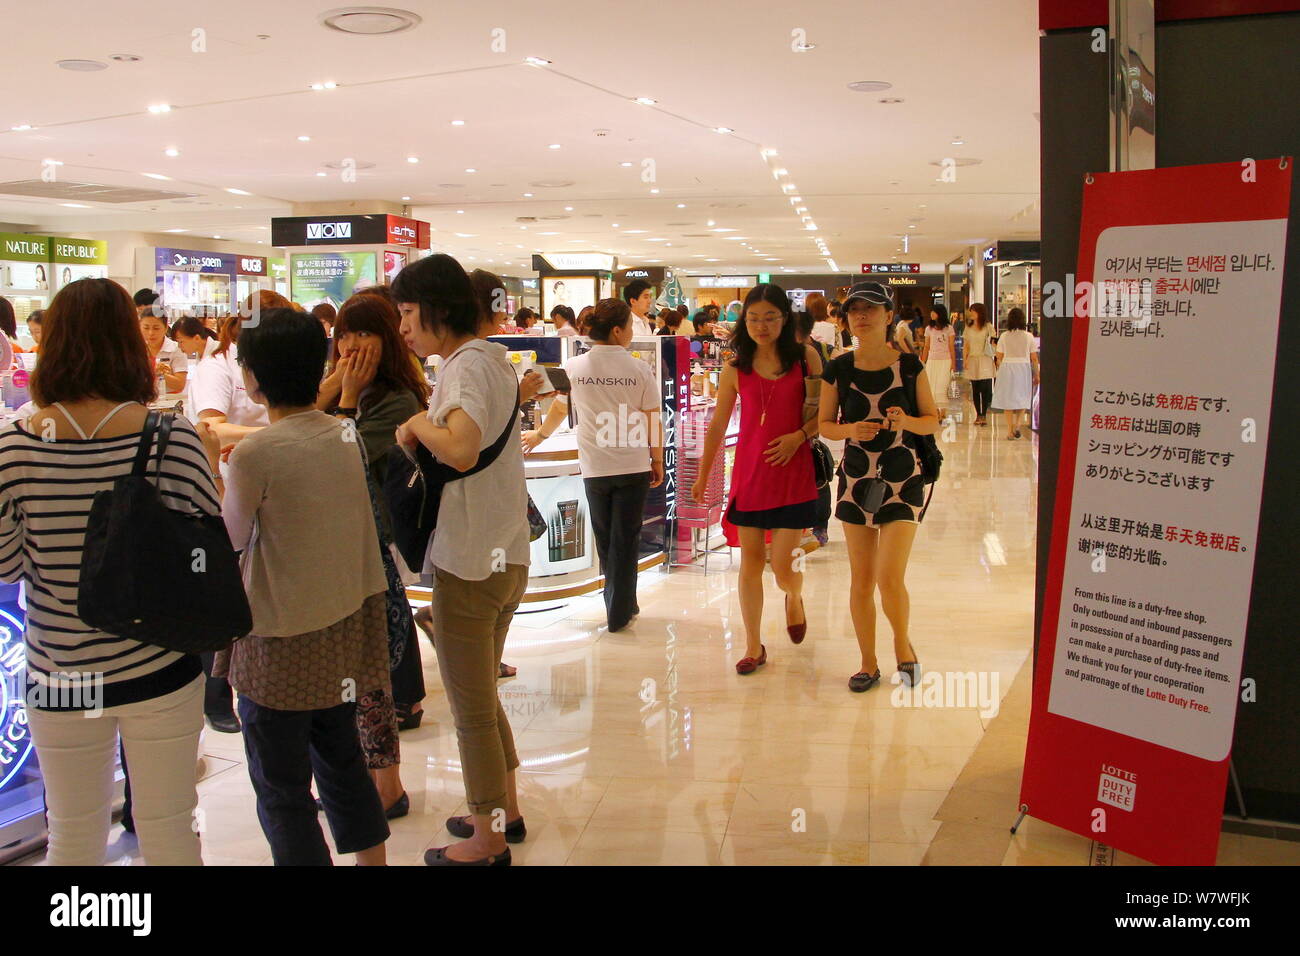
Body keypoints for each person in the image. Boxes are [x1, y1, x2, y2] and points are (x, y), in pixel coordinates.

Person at [0, 278, 216, 865]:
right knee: (169, 826)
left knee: (72, 833)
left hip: (61, 669)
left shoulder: (14, 446)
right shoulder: (171, 438)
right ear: (130, 343)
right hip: (159, 662)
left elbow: (8, 562)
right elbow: (206, 546)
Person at [207, 307, 391, 866]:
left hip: (278, 640)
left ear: (254, 377)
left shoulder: (257, 452)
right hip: (343, 626)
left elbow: (230, 539)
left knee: (281, 787)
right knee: (342, 759)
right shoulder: (344, 433)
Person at [392, 254, 529, 866]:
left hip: (471, 559)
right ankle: (507, 809)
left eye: (407, 313)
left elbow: (464, 451)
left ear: (436, 309)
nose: (402, 328)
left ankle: (487, 837)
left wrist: (418, 421)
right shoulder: (494, 361)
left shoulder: (464, 367)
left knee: (471, 708)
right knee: (482, 697)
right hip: (504, 553)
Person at [316, 289, 430, 752]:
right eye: (345, 333)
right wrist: (329, 393)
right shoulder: (348, 386)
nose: (351, 345)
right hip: (346, 522)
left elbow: (347, 457)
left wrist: (341, 398)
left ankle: (402, 701)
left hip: (373, 521)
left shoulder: (395, 398)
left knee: (385, 608)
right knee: (386, 605)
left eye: (364, 332)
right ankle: (404, 698)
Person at [691, 284, 821, 675]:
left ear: (785, 319)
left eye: (770, 317)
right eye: (753, 318)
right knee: (748, 562)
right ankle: (752, 645)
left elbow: (826, 415)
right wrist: (703, 474)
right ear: (742, 322)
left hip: (793, 470)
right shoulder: (735, 367)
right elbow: (717, 425)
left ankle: (794, 597)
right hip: (750, 473)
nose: (761, 326)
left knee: (783, 567)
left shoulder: (806, 359)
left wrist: (799, 436)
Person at [818, 282, 939, 693]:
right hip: (855, 480)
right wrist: (851, 428)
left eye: (871, 309)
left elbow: (932, 420)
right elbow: (824, 425)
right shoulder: (840, 368)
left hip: (903, 479)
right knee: (861, 579)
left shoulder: (909, 367)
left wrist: (905, 421)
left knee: (890, 577)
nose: (862, 316)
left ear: (889, 316)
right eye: (854, 310)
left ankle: (902, 645)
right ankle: (868, 662)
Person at [522, 298, 663, 631]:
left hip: (595, 467)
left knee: (605, 538)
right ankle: (620, 609)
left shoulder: (573, 367)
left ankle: (620, 602)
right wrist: (657, 460)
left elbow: (554, 407)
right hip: (632, 465)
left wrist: (539, 436)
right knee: (626, 539)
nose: (631, 332)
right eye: (629, 326)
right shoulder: (639, 368)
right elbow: (652, 419)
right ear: (617, 330)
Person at [189, 292, 282, 733]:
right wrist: (275, 435)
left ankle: (243, 682)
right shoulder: (217, 366)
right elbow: (210, 426)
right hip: (223, 486)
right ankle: (215, 695)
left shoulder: (266, 364)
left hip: (267, 486)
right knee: (222, 589)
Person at [794, 309, 833, 546]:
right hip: (793, 424)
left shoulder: (813, 353)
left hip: (809, 424)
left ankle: (819, 525)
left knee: (817, 473)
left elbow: (823, 392)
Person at [991, 307, 1039, 440]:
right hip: (1023, 368)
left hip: (1007, 368)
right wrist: (1037, 374)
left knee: (1008, 399)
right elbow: (1034, 358)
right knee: (1023, 397)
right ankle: (1018, 424)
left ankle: (1010, 430)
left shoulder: (1004, 336)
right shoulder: (1028, 336)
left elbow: (999, 355)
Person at [920, 303, 955, 425]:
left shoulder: (949, 328)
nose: (931, 314)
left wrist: (953, 363)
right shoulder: (928, 329)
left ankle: (943, 412)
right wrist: (922, 361)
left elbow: (951, 346)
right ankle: (935, 412)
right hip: (932, 360)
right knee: (931, 387)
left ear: (939, 313)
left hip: (945, 360)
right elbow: (926, 346)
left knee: (942, 386)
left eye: (933, 312)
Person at [139, 310, 188, 395]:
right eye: (146, 328)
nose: (151, 333)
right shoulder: (136, 348)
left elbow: (180, 384)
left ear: (165, 328)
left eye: (156, 328)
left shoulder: (176, 349)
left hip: (169, 400)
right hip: (142, 399)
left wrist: (160, 374)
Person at [963, 303, 995, 426]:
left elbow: (993, 342)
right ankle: (978, 415)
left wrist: (997, 358)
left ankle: (984, 414)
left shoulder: (988, 327)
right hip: (973, 359)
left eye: (973, 311)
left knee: (986, 388)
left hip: (985, 359)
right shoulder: (968, 327)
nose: (971, 314)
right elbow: (966, 345)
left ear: (980, 312)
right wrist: (965, 359)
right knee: (975, 388)